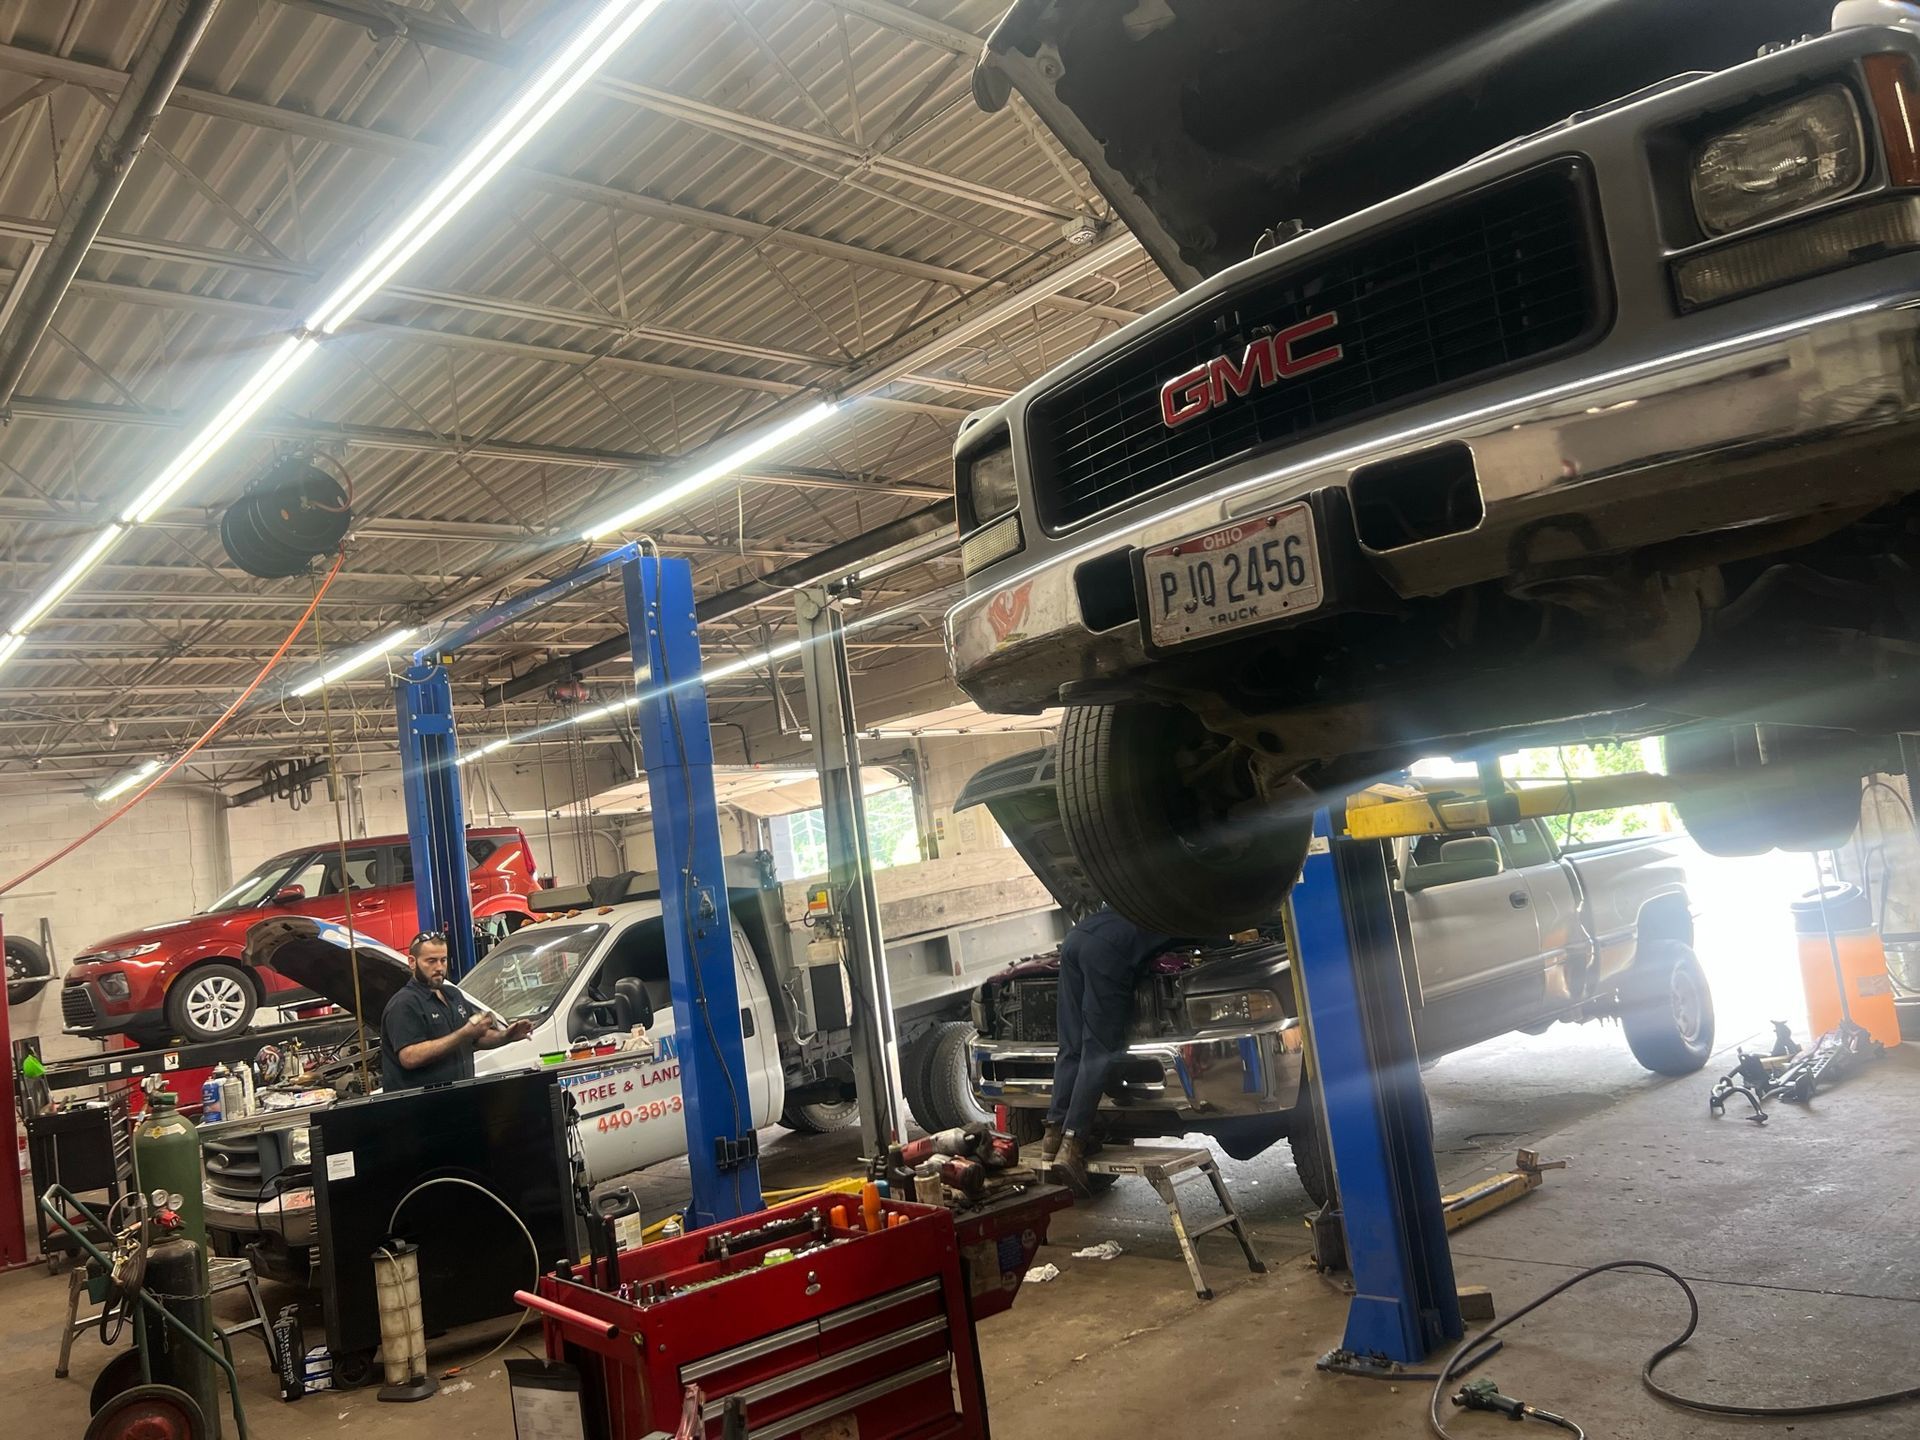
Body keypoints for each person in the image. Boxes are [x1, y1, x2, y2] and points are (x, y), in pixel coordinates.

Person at [1042, 907, 1174, 1193]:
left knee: (1072, 1045)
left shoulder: (1132, 891)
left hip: (1075, 941)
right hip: (1107, 953)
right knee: (1098, 1050)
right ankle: (1072, 1146)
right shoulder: (1182, 907)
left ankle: (1053, 1134)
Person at [379, 930, 533, 1092]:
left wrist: (506, 1036)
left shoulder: (453, 995)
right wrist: (463, 1034)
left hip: (459, 1099)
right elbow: (410, 1057)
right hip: (420, 1109)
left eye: (443, 960)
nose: (439, 967)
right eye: (431, 961)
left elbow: (476, 1037)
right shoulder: (404, 1004)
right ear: (412, 962)